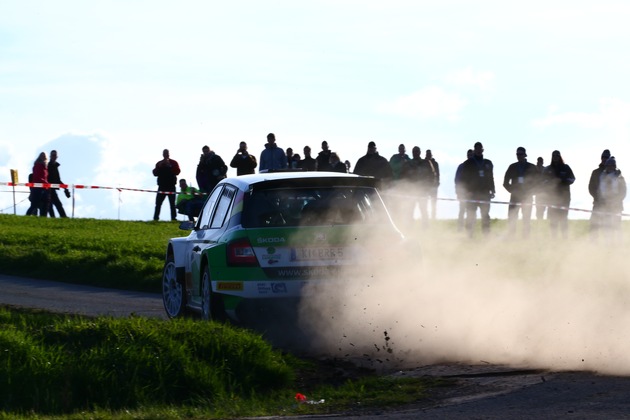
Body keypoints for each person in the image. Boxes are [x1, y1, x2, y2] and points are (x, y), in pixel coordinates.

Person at [460, 142, 495, 237]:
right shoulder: (468, 163)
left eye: (480, 149)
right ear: (474, 150)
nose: (479, 150)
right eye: (477, 149)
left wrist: (493, 189)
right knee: (471, 214)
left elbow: (490, 177)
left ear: (482, 150)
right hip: (472, 193)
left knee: (485, 215)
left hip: (485, 193)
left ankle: (486, 235)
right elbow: (463, 179)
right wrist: (466, 191)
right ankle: (469, 235)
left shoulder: (488, 163)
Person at [503, 147, 537, 238]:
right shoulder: (512, 167)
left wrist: (532, 192)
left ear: (525, 155)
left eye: (521, 154)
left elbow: (538, 182)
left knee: (526, 218)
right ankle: (511, 237)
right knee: (512, 217)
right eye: (517, 154)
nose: (519, 156)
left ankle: (525, 238)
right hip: (515, 197)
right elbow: (505, 182)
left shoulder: (532, 167)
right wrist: (512, 191)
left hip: (527, 197)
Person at [542, 150, 575, 239]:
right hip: (551, 198)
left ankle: (564, 238)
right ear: (552, 157)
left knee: (563, 219)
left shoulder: (566, 168)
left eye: (557, 155)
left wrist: (562, 181)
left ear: (560, 156)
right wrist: (551, 182)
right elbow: (542, 182)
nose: (555, 157)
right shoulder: (547, 169)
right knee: (553, 220)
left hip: (564, 198)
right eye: (554, 155)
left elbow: (572, 179)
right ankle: (554, 239)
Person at [402, 146, 435, 228]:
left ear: (419, 152)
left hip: (422, 191)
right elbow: (403, 177)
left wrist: (428, 187)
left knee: (424, 210)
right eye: (414, 151)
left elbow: (431, 176)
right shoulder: (408, 164)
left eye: (417, 151)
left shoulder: (426, 163)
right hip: (411, 191)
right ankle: (409, 227)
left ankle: (425, 227)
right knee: (410, 210)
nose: (415, 153)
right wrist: (405, 189)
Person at [597, 157, 626, 241]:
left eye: (611, 165)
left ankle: (618, 243)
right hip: (605, 205)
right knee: (606, 225)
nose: (610, 167)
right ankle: (607, 243)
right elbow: (599, 191)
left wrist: (617, 200)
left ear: (614, 166)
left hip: (616, 205)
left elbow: (623, 191)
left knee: (617, 225)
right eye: (608, 165)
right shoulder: (602, 177)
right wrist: (602, 200)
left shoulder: (620, 178)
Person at [588, 149, 612, 239]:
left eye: (606, 157)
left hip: (610, 205)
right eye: (603, 157)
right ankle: (593, 244)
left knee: (609, 226)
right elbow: (591, 187)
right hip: (598, 203)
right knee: (594, 225)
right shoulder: (596, 172)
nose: (604, 159)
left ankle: (608, 245)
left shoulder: (615, 173)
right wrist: (597, 197)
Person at [153, 149, 180, 221]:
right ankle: (156, 218)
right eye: (164, 153)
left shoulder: (173, 162)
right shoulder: (159, 163)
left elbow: (177, 172)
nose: (166, 155)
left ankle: (173, 218)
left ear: (169, 154)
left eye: (167, 153)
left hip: (171, 186)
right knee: (158, 203)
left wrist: (170, 166)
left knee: (172, 204)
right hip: (162, 186)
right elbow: (155, 173)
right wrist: (159, 166)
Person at [454, 149, 474, 231]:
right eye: (468, 155)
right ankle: (460, 227)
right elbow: (457, 180)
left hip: (472, 192)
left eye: (471, 155)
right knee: (462, 210)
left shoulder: (475, 167)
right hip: (463, 192)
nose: (470, 156)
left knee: (471, 211)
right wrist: (458, 192)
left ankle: (469, 228)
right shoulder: (461, 166)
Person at [47, 150, 70, 218]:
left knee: (53, 205)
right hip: (49, 189)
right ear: (50, 156)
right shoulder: (49, 166)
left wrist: (65, 188)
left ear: (57, 157)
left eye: (55, 155)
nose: (54, 157)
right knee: (56, 204)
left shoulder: (55, 166)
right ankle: (63, 217)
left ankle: (59, 217)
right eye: (53, 155)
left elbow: (57, 180)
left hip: (52, 189)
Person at [30, 153, 50, 217]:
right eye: (42, 156)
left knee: (45, 204)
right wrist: (46, 184)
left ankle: (43, 217)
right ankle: (28, 215)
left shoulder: (45, 167)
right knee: (34, 205)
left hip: (43, 188)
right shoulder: (38, 165)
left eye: (44, 156)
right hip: (38, 188)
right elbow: (38, 177)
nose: (43, 158)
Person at [425, 149, 440, 219]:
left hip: (434, 186)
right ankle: (427, 217)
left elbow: (438, 174)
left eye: (429, 154)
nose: (428, 155)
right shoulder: (424, 163)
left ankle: (433, 217)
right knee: (425, 202)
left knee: (433, 203)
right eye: (427, 154)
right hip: (426, 186)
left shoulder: (435, 163)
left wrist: (437, 183)